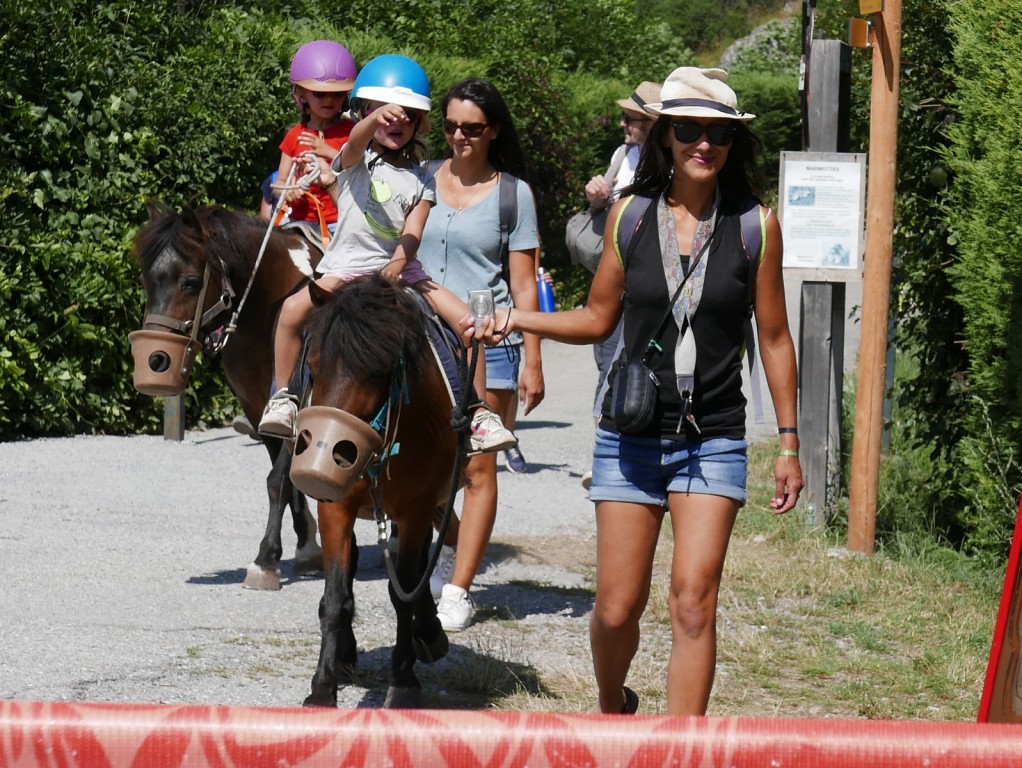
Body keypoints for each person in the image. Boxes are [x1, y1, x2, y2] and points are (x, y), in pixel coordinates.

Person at [480, 67, 803, 714]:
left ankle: (680, 753)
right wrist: (518, 318)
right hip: (629, 435)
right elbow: (598, 318)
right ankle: (611, 706)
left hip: (712, 439)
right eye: (688, 130)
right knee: (617, 607)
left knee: (692, 602)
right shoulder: (630, 216)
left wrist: (791, 443)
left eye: (718, 133)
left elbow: (772, 337)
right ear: (665, 138)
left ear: (734, 144)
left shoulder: (755, 226)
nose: (703, 144)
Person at [257, 55, 515, 456]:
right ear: (363, 113)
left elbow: (413, 230)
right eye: (383, 115)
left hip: (402, 270)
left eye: (408, 117)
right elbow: (356, 140)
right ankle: (285, 397)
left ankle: (477, 411)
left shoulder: (423, 178)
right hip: (346, 267)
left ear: (420, 123)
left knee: (467, 324)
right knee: (291, 312)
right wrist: (372, 122)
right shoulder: (353, 160)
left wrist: (397, 264)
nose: (396, 123)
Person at [418, 78, 545, 631]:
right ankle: (444, 547)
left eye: (471, 128)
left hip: (486, 345)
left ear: (492, 130)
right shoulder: (421, 180)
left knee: (477, 468)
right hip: (418, 338)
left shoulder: (513, 194)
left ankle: (458, 589)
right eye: (449, 126)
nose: (458, 137)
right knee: (415, 459)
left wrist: (532, 358)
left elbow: (523, 288)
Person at [580, 81, 661, 490]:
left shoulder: (667, 164)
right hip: (613, 278)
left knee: (627, 363)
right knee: (605, 360)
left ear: (652, 123)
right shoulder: (622, 155)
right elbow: (604, 210)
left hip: (646, 283)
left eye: (631, 118)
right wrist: (597, 194)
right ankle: (607, 447)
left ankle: (611, 451)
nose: (623, 124)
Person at [273, 40, 358, 239]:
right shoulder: (294, 135)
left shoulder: (352, 132)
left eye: (336, 95)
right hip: (300, 221)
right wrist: (287, 191)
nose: (329, 100)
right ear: (301, 93)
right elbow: (279, 182)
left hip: (339, 221)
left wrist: (327, 151)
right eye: (320, 94)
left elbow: (360, 172)